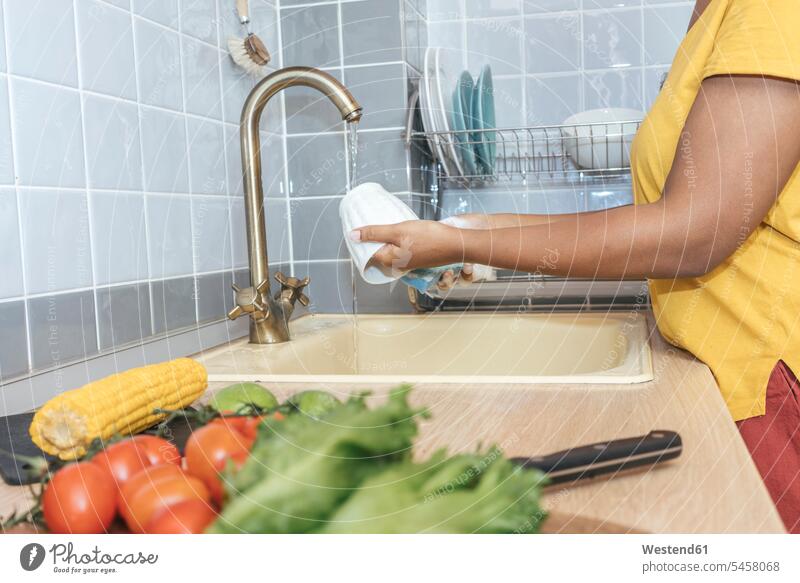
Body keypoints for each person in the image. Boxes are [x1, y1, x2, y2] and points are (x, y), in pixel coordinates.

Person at [350, 0, 800, 533]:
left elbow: (693, 232)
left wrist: (456, 241)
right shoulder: (716, 14)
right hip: (732, 371)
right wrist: (463, 234)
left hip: (770, 378)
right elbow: (666, 218)